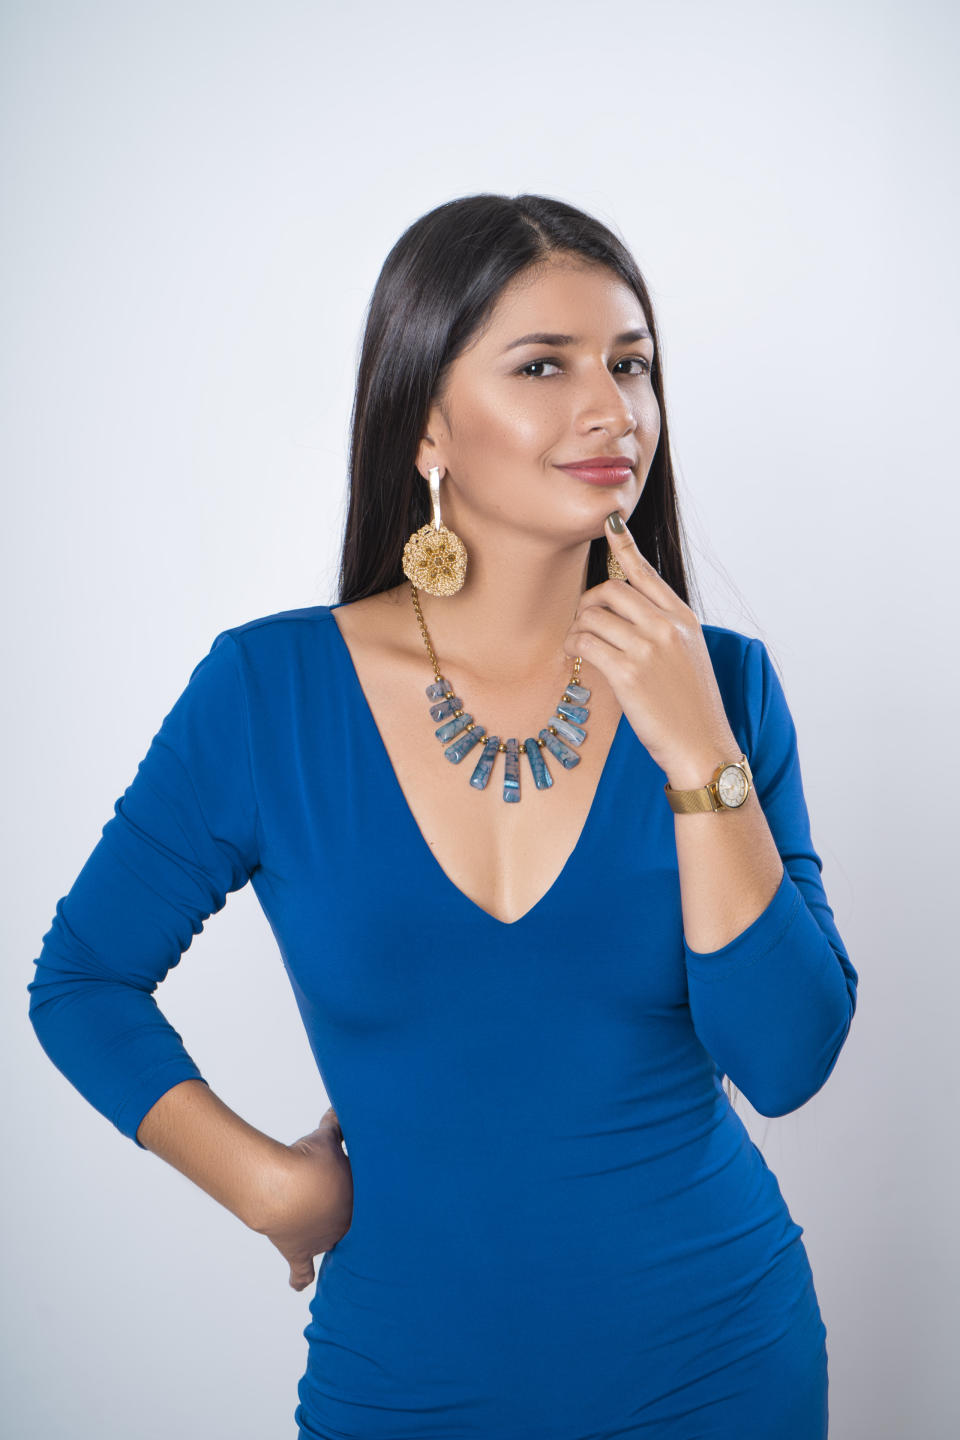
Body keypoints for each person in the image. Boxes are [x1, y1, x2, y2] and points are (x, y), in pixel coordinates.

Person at [27, 193, 858, 1440]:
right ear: (426, 420)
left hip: (722, 1368)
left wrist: (699, 753)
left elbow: (788, 1062)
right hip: (402, 1386)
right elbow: (83, 979)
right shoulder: (269, 693)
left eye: (632, 364)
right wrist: (266, 1186)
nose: (613, 409)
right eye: (544, 365)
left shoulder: (724, 689)